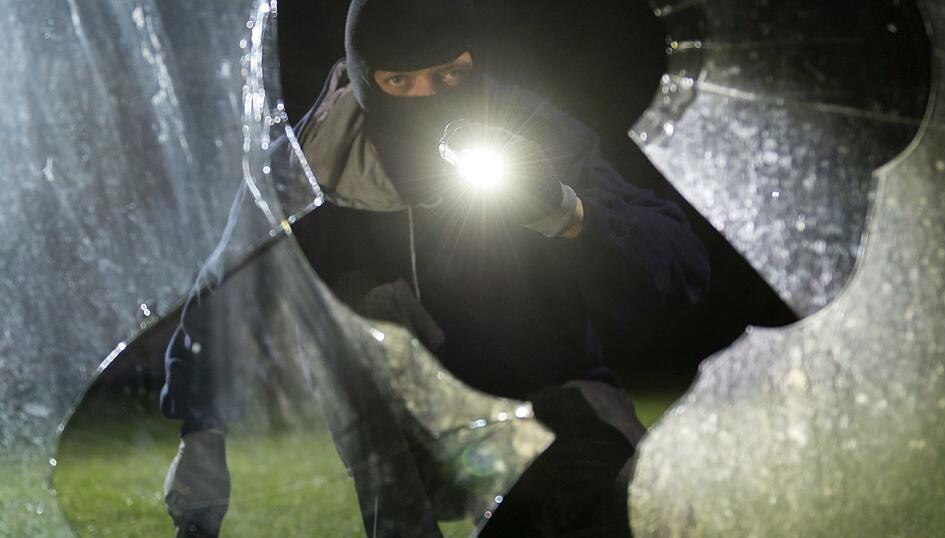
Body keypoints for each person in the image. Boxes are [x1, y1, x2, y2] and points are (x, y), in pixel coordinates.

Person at [161, 0, 709, 536]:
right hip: (404, 436)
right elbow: (231, 287)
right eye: (399, 81)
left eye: (448, 75)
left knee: (619, 512)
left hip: (548, 403)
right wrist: (201, 432)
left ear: (472, 62)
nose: (426, 97)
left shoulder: (528, 130)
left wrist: (568, 213)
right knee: (361, 308)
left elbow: (678, 261)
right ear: (365, 77)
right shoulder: (312, 165)